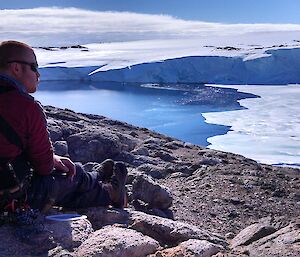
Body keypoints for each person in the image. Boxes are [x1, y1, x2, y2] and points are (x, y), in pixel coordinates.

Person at [0, 40, 127, 213]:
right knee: (66, 178)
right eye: (34, 67)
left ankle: (96, 179)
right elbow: (43, 167)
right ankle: (109, 191)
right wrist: (51, 160)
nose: (38, 75)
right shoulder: (25, 107)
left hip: (7, 175)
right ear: (16, 68)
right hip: (9, 197)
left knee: (61, 174)